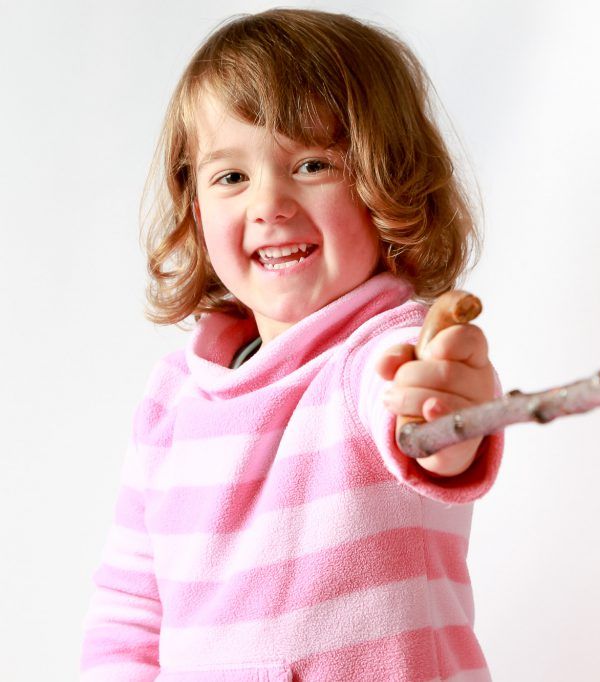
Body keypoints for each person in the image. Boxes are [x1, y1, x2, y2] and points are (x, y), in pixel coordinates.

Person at [79, 9, 503, 681]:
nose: (269, 202)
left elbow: (422, 428)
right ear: (195, 207)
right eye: (231, 177)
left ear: (383, 182)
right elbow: (130, 610)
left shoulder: (382, 352)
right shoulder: (173, 400)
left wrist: (447, 408)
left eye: (311, 164)